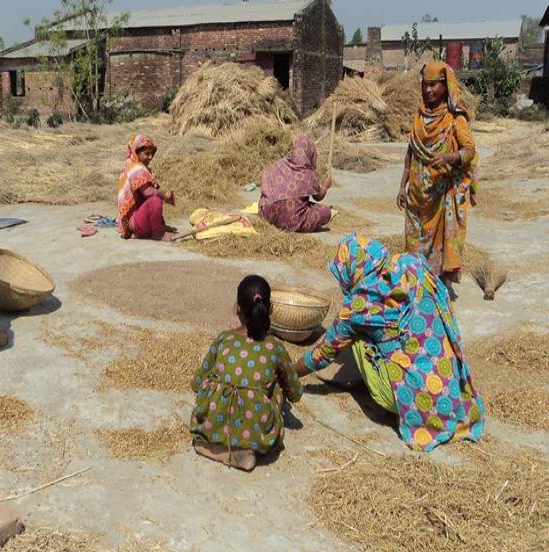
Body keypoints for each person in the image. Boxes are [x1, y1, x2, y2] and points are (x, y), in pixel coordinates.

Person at [292, 234, 485, 452]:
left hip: (417, 401)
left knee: (356, 338)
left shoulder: (357, 306)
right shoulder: (414, 264)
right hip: (451, 390)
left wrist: (287, 373)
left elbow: (322, 355)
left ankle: (389, 402)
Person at [190, 275, 303, 471]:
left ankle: (211, 444)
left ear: (237, 308)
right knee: (275, 387)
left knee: (219, 379)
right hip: (253, 428)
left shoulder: (224, 339)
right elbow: (295, 393)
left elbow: (197, 382)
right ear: (270, 310)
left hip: (211, 421)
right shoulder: (274, 347)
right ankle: (246, 449)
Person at [397, 61, 479, 289]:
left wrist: (448, 157)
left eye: (434, 85)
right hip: (415, 195)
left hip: (440, 196)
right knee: (414, 242)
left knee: (438, 245)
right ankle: (417, 284)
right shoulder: (420, 116)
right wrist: (402, 185)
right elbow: (411, 150)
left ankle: (437, 290)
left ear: (446, 85)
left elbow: (470, 151)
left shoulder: (455, 118)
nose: (428, 90)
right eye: (425, 85)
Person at [258, 135, 332, 233]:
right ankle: (289, 221)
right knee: (326, 212)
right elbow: (318, 197)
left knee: (298, 201)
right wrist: (325, 186)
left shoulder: (280, 164)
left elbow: (265, 176)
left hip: (266, 215)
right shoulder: (308, 174)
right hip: (290, 219)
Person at [117, 134, 176, 240]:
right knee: (155, 201)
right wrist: (164, 194)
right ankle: (157, 234)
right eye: (147, 154)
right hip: (134, 221)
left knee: (155, 198)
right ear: (137, 153)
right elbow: (148, 192)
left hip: (140, 217)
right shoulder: (135, 169)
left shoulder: (142, 169)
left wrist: (163, 193)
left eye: (151, 154)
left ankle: (150, 230)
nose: (150, 157)